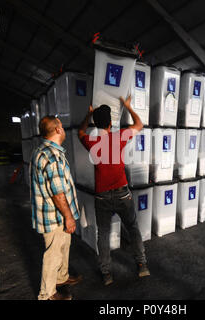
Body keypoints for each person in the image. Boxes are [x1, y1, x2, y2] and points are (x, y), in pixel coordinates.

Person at [78, 96, 150, 286]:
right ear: (111, 123)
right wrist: (127, 106)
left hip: (101, 196)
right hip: (122, 194)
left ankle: (107, 274)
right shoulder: (119, 137)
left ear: (96, 124)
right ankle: (142, 265)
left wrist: (88, 114)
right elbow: (139, 124)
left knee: (103, 233)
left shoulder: (91, 141)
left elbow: (80, 131)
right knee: (132, 228)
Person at [30, 116, 83, 300]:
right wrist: (68, 216)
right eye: (61, 126)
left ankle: (61, 277)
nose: (64, 129)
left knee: (63, 246)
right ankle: (47, 293)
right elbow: (58, 193)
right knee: (53, 254)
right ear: (58, 130)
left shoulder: (44, 150)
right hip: (55, 216)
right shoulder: (52, 156)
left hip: (56, 214)